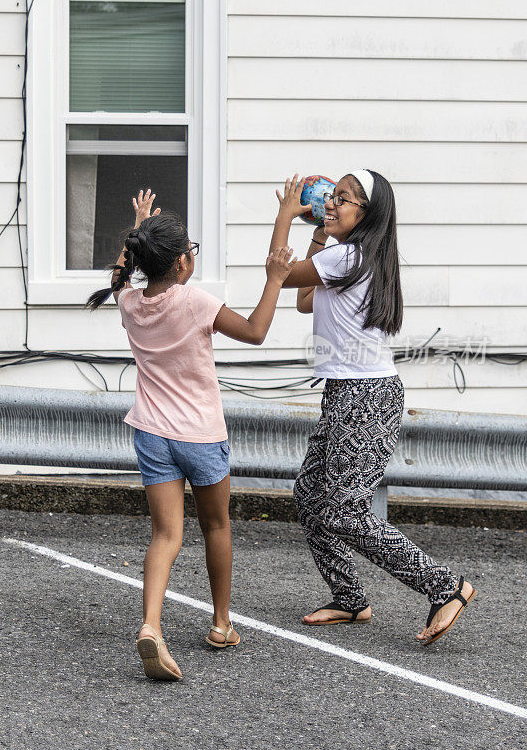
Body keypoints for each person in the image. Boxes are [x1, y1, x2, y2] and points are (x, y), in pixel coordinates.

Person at [87, 190, 295, 680]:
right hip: (200, 434)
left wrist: (136, 227)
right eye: (191, 251)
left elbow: (120, 276)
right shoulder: (196, 302)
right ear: (182, 263)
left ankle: (151, 625)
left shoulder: (131, 304)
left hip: (151, 434)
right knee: (216, 527)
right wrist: (275, 279)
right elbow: (255, 330)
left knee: (165, 534)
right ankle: (222, 623)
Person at [269, 172, 476, 645]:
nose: (331, 203)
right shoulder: (349, 256)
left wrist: (286, 216)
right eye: (332, 197)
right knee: (310, 495)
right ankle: (349, 599)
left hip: (366, 396)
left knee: (345, 510)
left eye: (342, 199)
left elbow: (278, 275)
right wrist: (319, 230)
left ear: (367, 214)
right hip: (347, 393)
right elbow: (304, 299)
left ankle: (446, 587)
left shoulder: (351, 255)